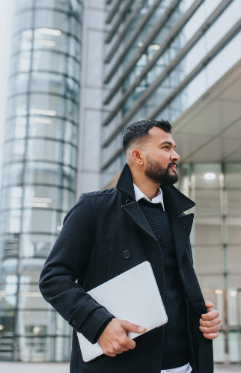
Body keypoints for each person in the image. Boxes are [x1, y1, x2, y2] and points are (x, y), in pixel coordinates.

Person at [39, 119, 220, 373]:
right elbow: (53, 278)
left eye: (174, 148)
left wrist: (203, 319)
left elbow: (175, 290)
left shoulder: (177, 215)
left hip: (184, 366)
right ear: (138, 156)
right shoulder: (94, 209)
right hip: (118, 365)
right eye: (166, 148)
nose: (176, 155)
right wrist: (99, 325)